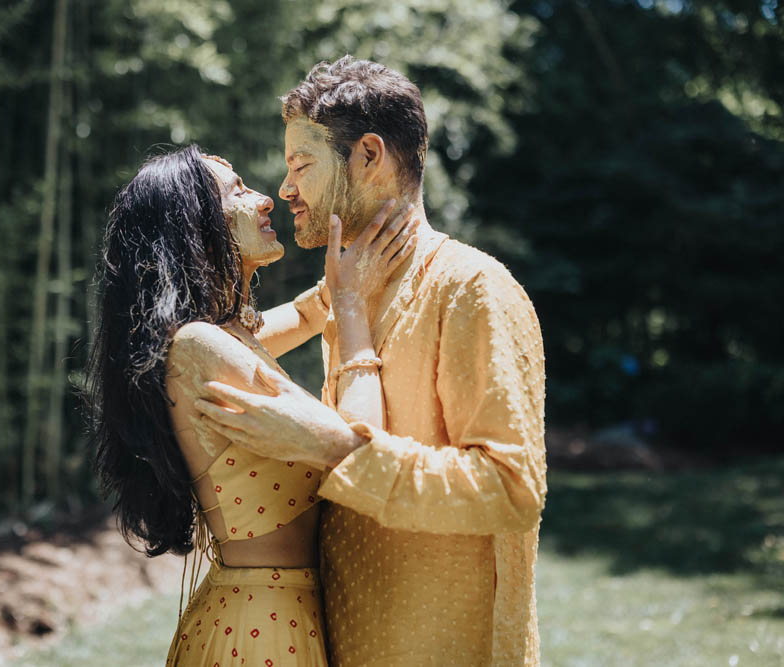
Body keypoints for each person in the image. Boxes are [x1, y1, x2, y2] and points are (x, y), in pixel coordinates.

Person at [193, 57, 548, 666]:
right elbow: (254, 333)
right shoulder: (348, 293)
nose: (285, 189)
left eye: (300, 164)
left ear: (368, 156)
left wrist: (333, 448)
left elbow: (511, 491)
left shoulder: (471, 288)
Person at [83, 144, 416, 666]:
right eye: (237, 191)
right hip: (261, 630)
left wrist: (350, 272)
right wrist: (351, 308)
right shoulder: (200, 348)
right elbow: (358, 448)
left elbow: (304, 317)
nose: (266, 198)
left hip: (269, 610)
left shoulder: (224, 335)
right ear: (194, 225)